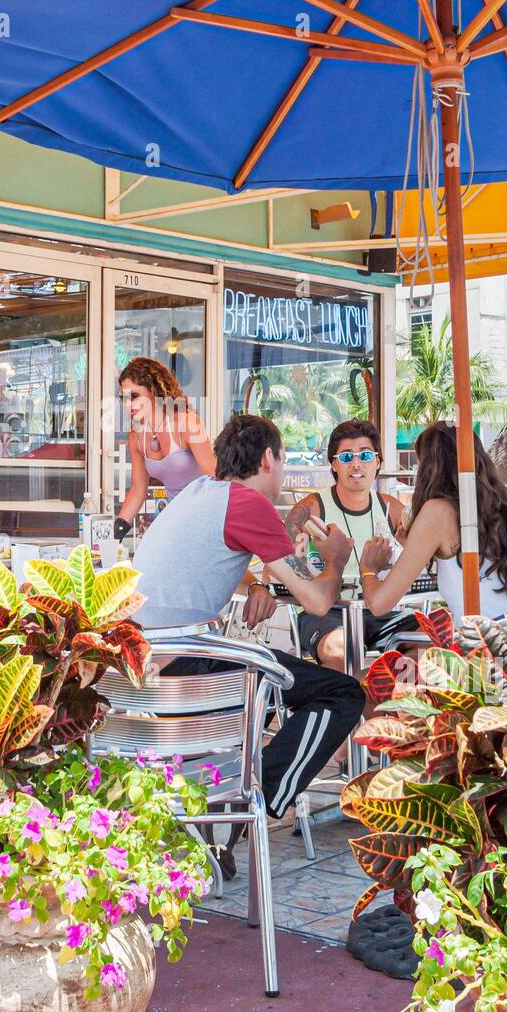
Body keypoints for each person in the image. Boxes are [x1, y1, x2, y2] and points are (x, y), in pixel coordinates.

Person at [131, 414, 365, 857]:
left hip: (143, 667)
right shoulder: (249, 504)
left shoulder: (197, 494)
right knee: (342, 694)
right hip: (185, 665)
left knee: (266, 669)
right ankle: (259, 795)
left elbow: (203, 564)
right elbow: (317, 601)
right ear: (267, 458)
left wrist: (256, 584)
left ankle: (233, 805)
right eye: (283, 459)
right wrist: (335, 558)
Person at [359, 421, 507, 624]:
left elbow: (378, 603)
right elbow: (476, 574)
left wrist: (368, 568)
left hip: (484, 645)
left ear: (431, 468)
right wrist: (413, 545)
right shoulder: (504, 509)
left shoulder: (438, 512)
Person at [282, 419, 417, 670]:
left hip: (380, 610)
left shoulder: (392, 509)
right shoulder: (310, 509)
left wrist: (404, 550)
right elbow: (283, 565)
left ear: (377, 463)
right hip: (325, 613)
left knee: (428, 641)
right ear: (333, 464)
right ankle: (357, 702)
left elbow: (421, 561)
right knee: (338, 650)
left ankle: (386, 704)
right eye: (346, 457)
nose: (356, 464)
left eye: (365, 455)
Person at [113, 357, 215, 540]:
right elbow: (138, 488)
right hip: (176, 520)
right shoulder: (136, 435)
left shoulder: (187, 423)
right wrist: (120, 525)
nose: (128, 404)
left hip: (207, 517)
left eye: (134, 396)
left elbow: (216, 480)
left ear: (154, 390)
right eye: (124, 398)